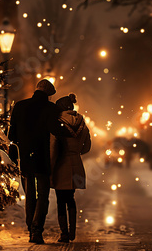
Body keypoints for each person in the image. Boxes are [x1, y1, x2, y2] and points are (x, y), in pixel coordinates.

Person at [8, 79, 69, 244]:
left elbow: (11, 135)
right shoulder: (51, 109)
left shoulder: (20, 106)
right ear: (48, 94)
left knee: (29, 195)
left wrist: (13, 157)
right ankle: (37, 229)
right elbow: (56, 131)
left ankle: (30, 228)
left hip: (25, 158)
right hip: (42, 158)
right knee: (43, 195)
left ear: (36, 90)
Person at [50, 93, 91, 243]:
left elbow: (53, 148)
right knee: (71, 198)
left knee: (61, 200)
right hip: (76, 164)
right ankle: (73, 231)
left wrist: (51, 167)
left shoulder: (57, 123)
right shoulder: (82, 122)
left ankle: (64, 233)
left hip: (61, 165)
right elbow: (87, 147)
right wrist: (76, 152)